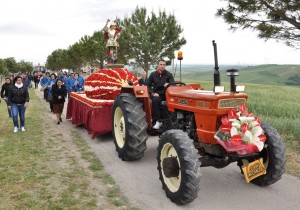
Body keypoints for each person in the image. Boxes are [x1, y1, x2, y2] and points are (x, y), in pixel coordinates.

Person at [147, 59, 174, 129]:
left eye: (164, 65)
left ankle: (173, 121)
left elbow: (172, 84)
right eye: (161, 64)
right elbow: (147, 85)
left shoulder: (169, 75)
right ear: (158, 65)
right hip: (156, 94)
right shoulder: (153, 74)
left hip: (166, 94)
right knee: (156, 100)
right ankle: (158, 121)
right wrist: (152, 93)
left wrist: (169, 84)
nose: (162, 66)